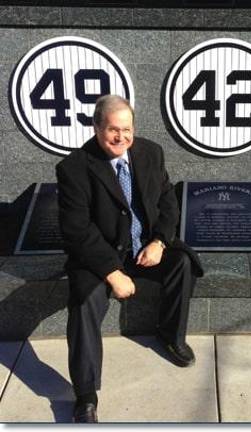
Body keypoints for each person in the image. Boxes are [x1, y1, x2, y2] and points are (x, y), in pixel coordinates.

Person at [56, 94, 203, 423]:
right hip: (99, 256)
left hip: (143, 249)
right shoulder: (74, 168)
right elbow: (76, 230)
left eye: (127, 130)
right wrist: (111, 271)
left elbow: (167, 200)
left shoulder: (150, 153)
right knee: (83, 302)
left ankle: (170, 336)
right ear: (96, 127)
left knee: (181, 263)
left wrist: (160, 241)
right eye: (112, 130)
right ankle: (86, 394)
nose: (121, 137)